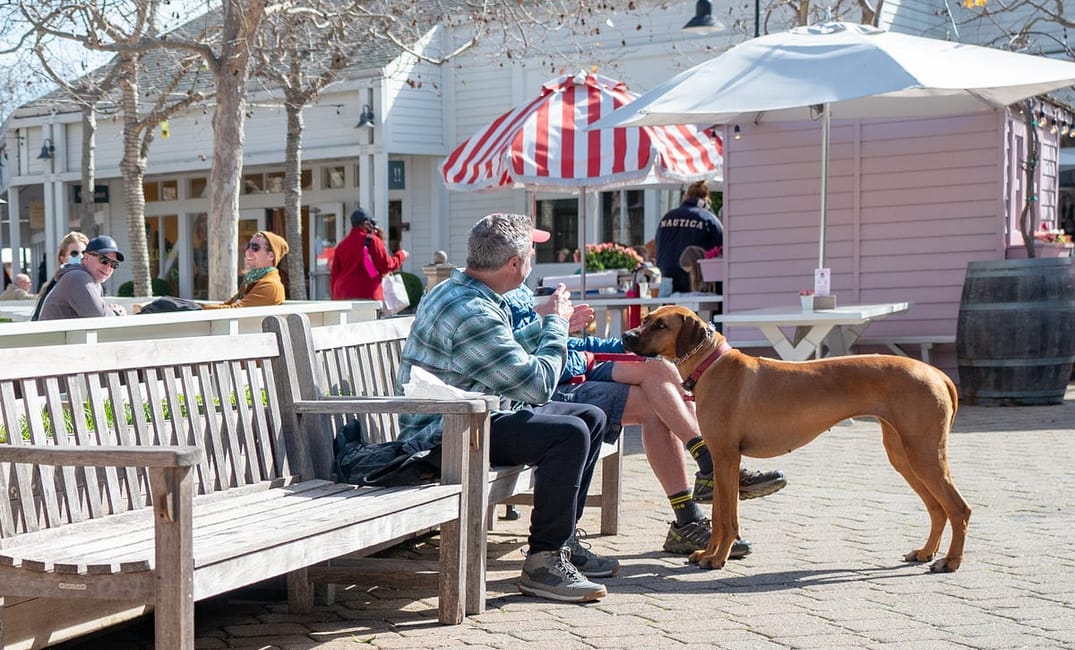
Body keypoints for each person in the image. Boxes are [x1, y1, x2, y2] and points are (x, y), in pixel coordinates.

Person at [397, 212, 616, 604]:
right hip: (444, 433)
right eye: (531, 254)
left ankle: (560, 543)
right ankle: (543, 564)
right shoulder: (472, 310)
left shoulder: (465, 291)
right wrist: (557, 327)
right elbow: (536, 386)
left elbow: (498, 353)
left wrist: (546, 321)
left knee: (591, 418)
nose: (532, 262)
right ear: (514, 263)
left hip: (473, 415)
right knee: (568, 435)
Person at [504, 285, 786, 559]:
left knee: (659, 374)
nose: (532, 253)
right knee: (656, 389)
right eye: (530, 247)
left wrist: (623, 346)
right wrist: (583, 355)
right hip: (543, 393)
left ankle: (697, 498)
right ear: (513, 260)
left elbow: (566, 345)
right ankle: (706, 476)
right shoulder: (493, 297)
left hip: (567, 372)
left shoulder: (519, 291)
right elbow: (528, 365)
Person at [36, 235, 127, 320]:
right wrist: (117, 313)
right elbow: (99, 318)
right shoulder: (78, 277)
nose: (108, 267)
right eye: (104, 260)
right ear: (86, 258)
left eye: (114, 264)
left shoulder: (90, 281)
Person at [655, 180, 722, 294]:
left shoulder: (667, 217)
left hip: (668, 280)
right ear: (706, 200)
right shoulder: (709, 219)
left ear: (685, 197)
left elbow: (658, 245)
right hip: (697, 282)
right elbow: (721, 250)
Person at [330, 208, 408, 302]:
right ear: (366, 224)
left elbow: (334, 274)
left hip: (342, 294)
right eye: (372, 223)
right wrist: (401, 255)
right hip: (367, 293)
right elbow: (386, 266)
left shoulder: (342, 245)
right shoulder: (373, 241)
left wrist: (334, 296)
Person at [202, 231, 288, 309]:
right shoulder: (252, 279)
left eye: (255, 248)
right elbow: (228, 304)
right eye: (248, 246)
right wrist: (198, 307)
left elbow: (236, 309)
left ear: (271, 256)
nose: (248, 252)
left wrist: (200, 309)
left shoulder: (270, 285)